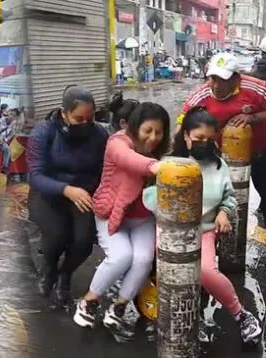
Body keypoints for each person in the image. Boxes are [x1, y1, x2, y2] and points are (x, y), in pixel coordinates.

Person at [142, 107, 262, 343]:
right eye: (198, 139)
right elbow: (149, 196)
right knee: (153, 266)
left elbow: (229, 198)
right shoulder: (169, 165)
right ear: (185, 136)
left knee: (205, 271)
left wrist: (224, 213)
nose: (204, 144)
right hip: (171, 232)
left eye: (209, 139)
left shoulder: (219, 167)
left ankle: (241, 315)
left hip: (204, 230)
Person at [73, 102, 168, 342]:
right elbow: (130, 161)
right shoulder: (117, 143)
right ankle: (88, 301)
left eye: (159, 131)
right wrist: (158, 167)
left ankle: (119, 306)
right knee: (121, 256)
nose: (153, 137)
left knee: (144, 258)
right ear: (135, 127)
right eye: (148, 130)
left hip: (141, 218)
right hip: (110, 214)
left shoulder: (160, 151)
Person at [178, 52, 266, 253]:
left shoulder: (255, 88)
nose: (217, 85)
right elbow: (182, 126)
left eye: (223, 79)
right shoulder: (200, 97)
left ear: (237, 78)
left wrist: (252, 118)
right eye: (214, 78)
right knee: (218, 197)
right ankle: (217, 241)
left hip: (261, 150)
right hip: (222, 157)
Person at [27, 86, 109, 306]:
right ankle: (49, 270)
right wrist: (66, 189)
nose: (84, 124)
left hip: (84, 194)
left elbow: (106, 170)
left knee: (84, 242)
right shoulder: (44, 132)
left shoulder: (99, 134)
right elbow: (35, 175)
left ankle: (65, 275)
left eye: (89, 119)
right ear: (64, 113)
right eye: (78, 118)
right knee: (56, 236)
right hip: (49, 193)